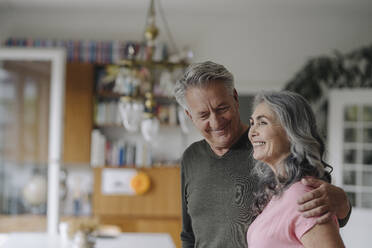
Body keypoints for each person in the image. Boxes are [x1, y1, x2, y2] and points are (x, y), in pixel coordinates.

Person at [174, 61, 351, 248]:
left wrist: (344, 205)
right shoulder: (191, 158)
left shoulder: (268, 150)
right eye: (203, 115)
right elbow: (188, 235)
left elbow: (313, 213)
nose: (216, 122)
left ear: (235, 98)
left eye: (221, 109)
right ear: (189, 115)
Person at [247, 91, 344, 247]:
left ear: (291, 132)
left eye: (262, 122)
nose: (252, 132)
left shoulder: (303, 196)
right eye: (252, 123)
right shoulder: (278, 192)